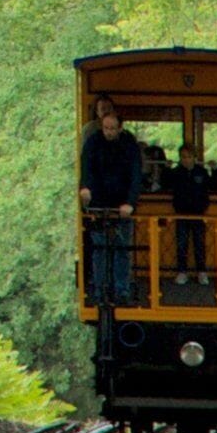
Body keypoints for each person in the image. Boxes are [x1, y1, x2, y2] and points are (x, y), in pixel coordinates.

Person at [77, 95, 143, 304]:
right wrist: (85, 188)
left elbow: (135, 174)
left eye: (113, 128)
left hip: (122, 203)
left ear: (120, 128)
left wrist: (130, 203)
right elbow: (86, 168)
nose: (109, 132)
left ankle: (121, 290)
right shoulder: (93, 142)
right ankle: (100, 290)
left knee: (121, 249)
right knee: (100, 250)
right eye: (106, 128)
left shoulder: (129, 144)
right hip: (99, 204)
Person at [167, 119, 217, 279]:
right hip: (181, 213)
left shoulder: (201, 172)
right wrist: (165, 170)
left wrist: (214, 170)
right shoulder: (176, 173)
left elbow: (212, 186)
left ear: (195, 157)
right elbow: (166, 183)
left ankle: (201, 271)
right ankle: (182, 271)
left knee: (199, 244)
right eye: (183, 157)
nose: (186, 160)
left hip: (198, 213)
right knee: (181, 244)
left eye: (189, 157)